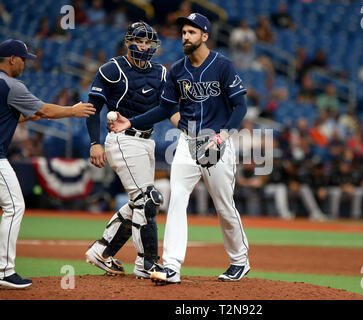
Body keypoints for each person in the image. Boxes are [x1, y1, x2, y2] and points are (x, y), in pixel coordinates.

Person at [109, 13, 250, 284]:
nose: (185, 36)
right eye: (184, 32)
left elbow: (240, 106)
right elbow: (164, 108)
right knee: (177, 201)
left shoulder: (222, 65)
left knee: (223, 205)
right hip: (187, 142)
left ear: (205, 36)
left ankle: (239, 260)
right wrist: (131, 122)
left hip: (216, 142)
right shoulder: (177, 70)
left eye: (192, 32)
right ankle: (171, 265)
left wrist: (222, 136)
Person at [84, 22, 179, 279]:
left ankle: (101, 251)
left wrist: (191, 129)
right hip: (122, 139)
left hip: (147, 142)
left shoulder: (161, 72)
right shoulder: (112, 69)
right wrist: (94, 142)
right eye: (139, 41)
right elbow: (93, 108)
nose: (144, 46)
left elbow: (169, 110)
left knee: (139, 203)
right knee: (149, 199)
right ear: (128, 42)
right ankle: (147, 263)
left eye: (149, 42)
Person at [0, 39, 95, 288]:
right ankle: (4, 270)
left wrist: (28, 116)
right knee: (14, 206)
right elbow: (45, 111)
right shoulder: (11, 84)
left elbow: (12, 116)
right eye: (23, 59)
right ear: (12, 59)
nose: (25, 63)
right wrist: (72, 110)